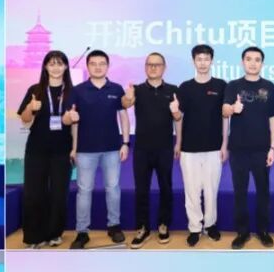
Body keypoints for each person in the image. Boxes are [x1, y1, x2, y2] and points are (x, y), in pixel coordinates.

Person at [68, 50, 133, 249]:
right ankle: (82, 232)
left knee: (113, 188)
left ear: (107, 66)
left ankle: (114, 226)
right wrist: (74, 148)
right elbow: (74, 122)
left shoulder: (117, 88)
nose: (98, 67)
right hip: (85, 150)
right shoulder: (78, 90)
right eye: (93, 63)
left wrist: (125, 143)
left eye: (102, 63)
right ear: (87, 66)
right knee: (84, 191)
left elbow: (123, 117)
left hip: (112, 149)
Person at [223, 47, 274, 249]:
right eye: (249, 59)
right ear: (242, 62)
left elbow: (273, 119)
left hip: (262, 149)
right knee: (240, 192)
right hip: (238, 149)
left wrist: (272, 147)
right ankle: (242, 232)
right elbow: (224, 110)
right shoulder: (233, 86)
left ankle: (263, 231)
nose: (253, 63)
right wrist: (232, 108)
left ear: (262, 63)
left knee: (263, 191)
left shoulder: (270, 87)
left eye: (257, 60)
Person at [18, 49, 73, 248]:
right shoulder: (35, 89)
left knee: (59, 193)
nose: (56, 68)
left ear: (66, 67)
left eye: (60, 63)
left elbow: (77, 123)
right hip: (36, 149)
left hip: (62, 150)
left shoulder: (72, 92)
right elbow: (25, 120)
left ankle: (54, 233)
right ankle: (34, 236)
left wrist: (70, 121)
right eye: (52, 63)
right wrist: (30, 108)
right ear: (45, 67)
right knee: (34, 192)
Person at [175, 44, 225, 246]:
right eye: (199, 59)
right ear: (193, 61)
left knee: (211, 190)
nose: (203, 63)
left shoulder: (221, 85)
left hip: (214, 147)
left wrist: (225, 144)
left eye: (206, 59)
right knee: (192, 190)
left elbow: (225, 118)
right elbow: (179, 118)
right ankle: (195, 228)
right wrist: (178, 143)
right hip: (189, 148)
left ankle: (210, 225)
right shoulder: (185, 87)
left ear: (212, 61)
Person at [129, 52, 178, 247]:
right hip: (141, 149)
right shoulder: (137, 90)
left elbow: (178, 118)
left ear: (164, 68)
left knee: (166, 188)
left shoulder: (173, 90)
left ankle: (164, 225)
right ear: (145, 67)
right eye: (149, 64)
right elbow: (125, 103)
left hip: (165, 148)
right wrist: (128, 97)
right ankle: (143, 227)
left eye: (157, 64)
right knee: (141, 189)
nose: (153, 67)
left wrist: (179, 143)